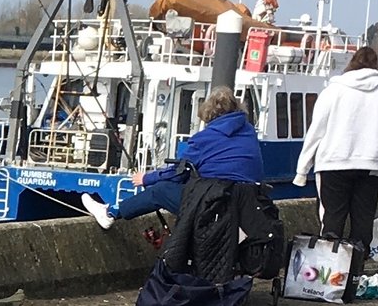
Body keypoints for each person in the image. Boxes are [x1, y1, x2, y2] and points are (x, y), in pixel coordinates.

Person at [295, 46, 378, 289]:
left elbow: (316, 130)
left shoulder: (334, 90)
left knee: (332, 217)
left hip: (335, 161)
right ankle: (356, 273)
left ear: (351, 63)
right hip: (372, 163)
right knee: (362, 217)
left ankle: (328, 274)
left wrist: (301, 170)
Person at [84, 90, 263, 230]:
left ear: (210, 116)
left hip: (216, 206)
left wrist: (146, 179)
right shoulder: (248, 133)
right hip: (245, 206)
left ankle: (110, 213)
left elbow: (179, 173)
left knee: (160, 191)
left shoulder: (207, 137)